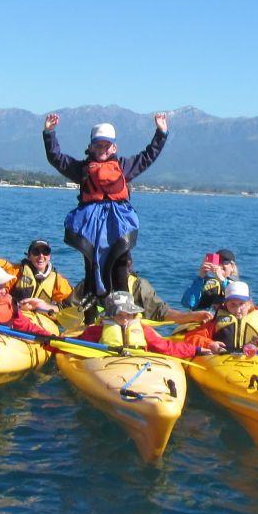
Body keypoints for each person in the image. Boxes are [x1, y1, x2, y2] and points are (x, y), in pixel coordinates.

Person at [42, 112, 169, 297]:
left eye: (106, 145)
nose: (102, 149)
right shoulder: (82, 170)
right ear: (91, 147)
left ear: (114, 147)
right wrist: (49, 133)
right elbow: (56, 158)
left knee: (120, 260)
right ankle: (92, 304)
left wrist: (161, 132)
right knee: (91, 261)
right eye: (98, 145)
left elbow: (148, 156)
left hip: (118, 222)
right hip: (90, 222)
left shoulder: (124, 167)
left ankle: (123, 302)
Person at [71, 251, 207, 326]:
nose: (125, 269)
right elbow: (68, 309)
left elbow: (160, 313)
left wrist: (188, 316)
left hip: (132, 336)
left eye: (126, 265)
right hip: (97, 337)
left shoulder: (139, 286)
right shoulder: (90, 284)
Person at [74, 291, 206, 359]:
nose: (125, 319)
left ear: (133, 314)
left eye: (128, 315)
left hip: (137, 362)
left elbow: (165, 347)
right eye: (120, 315)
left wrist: (196, 350)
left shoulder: (143, 330)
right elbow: (74, 345)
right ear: (110, 316)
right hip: (107, 365)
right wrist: (53, 341)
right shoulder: (97, 331)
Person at [181, 281, 258, 354]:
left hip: (254, 361)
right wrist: (210, 344)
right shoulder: (216, 323)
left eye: (242, 304)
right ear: (225, 304)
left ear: (249, 304)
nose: (238, 309)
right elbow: (190, 338)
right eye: (233, 304)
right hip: (223, 360)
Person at [11, 239, 73, 317]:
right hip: (17, 315)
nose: (41, 256)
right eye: (36, 252)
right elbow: (2, 293)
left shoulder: (58, 280)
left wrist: (45, 307)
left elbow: (68, 307)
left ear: (49, 257)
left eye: (45, 252)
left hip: (41, 320)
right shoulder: (17, 271)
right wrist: (18, 306)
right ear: (29, 256)